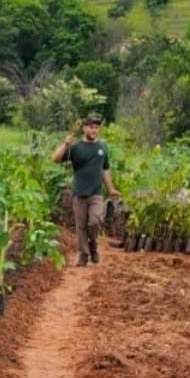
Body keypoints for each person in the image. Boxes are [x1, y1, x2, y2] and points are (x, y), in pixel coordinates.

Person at [51, 113, 121, 265]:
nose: (94, 130)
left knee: (94, 222)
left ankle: (93, 245)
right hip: (79, 194)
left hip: (96, 194)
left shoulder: (102, 147)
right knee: (81, 227)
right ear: (84, 129)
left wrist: (111, 189)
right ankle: (83, 255)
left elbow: (105, 169)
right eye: (91, 127)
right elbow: (55, 159)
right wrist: (65, 143)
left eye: (96, 127)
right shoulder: (75, 147)